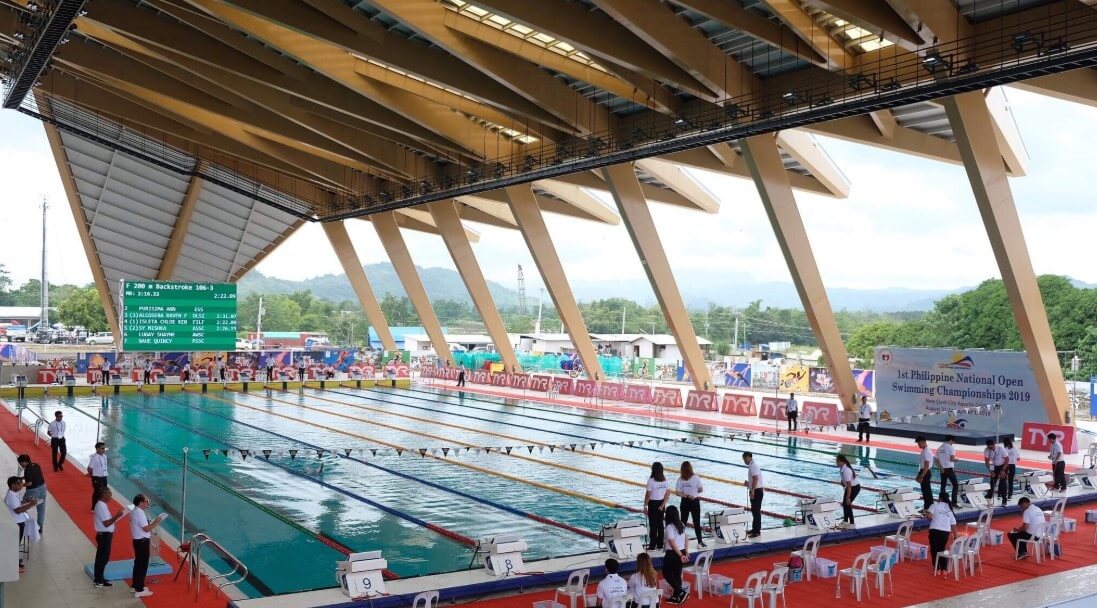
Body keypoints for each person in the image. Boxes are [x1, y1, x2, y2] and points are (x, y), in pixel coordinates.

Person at [131, 493, 165, 598]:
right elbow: (146, 529)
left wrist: (153, 522)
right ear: (141, 502)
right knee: (142, 565)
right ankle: (139, 589)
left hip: (138, 541)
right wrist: (157, 521)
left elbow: (144, 526)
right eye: (147, 501)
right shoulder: (139, 513)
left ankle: (135, 585)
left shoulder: (135, 511)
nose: (148, 503)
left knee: (138, 564)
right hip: (142, 542)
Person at [92, 486, 126, 587]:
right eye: (109, 494)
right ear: (103, 495)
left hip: (105, 535)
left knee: (104, 558)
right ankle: (98, 580)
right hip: (104, 536)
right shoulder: (101, 506)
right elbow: (106, 523)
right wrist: (117, 516)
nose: (111, 495)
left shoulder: (102, 505)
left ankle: (100, 578)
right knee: (102, 558)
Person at [5, 477, 38, 574]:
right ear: (12, 485)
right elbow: (18, 510)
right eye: (19, 484)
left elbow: (18, 504)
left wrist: (26, 502)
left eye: (21, 483)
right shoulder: (11, 496)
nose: (21, 485)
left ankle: (15, 561)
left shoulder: (14, 493)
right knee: (14, 544)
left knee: (16, 543)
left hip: (19, 521)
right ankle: (13, 565)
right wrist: (31, 504)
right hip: (16, 523)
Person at [662, 505, 690, 605]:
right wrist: (686, 552)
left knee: (666, 573)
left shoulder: (669, 527)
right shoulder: (681, 524)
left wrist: (680, 555)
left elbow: (672, 543)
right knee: (677, 574)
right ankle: (675, 597)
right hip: (681, 550)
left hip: (673, 553)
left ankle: (681, 592)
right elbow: (686, 538)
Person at [925, 492, 957, 576]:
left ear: (940, 498)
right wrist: (956, 537)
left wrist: (926, 515)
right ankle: (944, 569)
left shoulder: (934, 505)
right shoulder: (949, 509)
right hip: (945, 532)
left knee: (934, 550)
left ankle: (937, 569)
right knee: (942, 550)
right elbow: (953, 524)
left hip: (935, 530)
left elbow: (929, 517)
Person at [675, 461, 705, 547]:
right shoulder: (696, 477)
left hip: (684, 501)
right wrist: (695, 491)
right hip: (694, 501)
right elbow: (701, 489)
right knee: (696, 522)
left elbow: (677, 492)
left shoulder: (680, 479)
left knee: (683, 523)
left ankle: (680, 542)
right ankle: (700, 542)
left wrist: (686, 495)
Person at [643, 462, 670, 550]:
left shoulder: (651, 480)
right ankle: (660, 545)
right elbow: (668, 494)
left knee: (653, 525)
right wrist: (662, 505)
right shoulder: (665, 480)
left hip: (653, 504)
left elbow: (648, 495)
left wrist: (645, 506)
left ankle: (652, 545)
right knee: (660, 524)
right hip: (661, 503)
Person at [17, 455, 46, 533]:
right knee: (41, 509)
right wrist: (23, 478)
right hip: (43, 488)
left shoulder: (27, 470)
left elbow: (29, 483)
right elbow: (35, 475)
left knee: (22, 506)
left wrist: (20, 485)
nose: (20, 465)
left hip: (33, 491)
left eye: (20, 463)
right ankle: (40, 527)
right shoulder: (36, 465)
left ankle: (23, 523)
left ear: (24, 462)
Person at [742, 451, 764, 538]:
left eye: (745, 459)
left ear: (750, 457)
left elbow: (756, 478)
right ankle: (754, 529)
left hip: (757, 491)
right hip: (756, 490)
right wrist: (748, 483)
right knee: (754, 511)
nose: (744, 461)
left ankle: (757, 531)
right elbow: (754, 479)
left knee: (756, 511)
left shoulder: (753, 466)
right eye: (743, 459)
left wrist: (753, 491)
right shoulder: (752, 465)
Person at [837, 454, 861, 528]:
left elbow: (849, 485)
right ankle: (846, 521)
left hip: (854, 488)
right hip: (850, 487)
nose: (837, 463)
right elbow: (845, 482)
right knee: (845, 504)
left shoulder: (847, 470)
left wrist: (848, 497)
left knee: (847, 503)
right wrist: (842, 483)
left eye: (838, 461)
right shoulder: (842, 468)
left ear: (842, 461)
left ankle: (852, 523)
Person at [983, 438, 1009, 505]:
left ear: (994, 445)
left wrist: (1003, 470)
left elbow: (1007, 459)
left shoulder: (1000, 448)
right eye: (989, 448)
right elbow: (987, 462)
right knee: (992, 481)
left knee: (1003, 483)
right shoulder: (986, 450)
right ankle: (990, 495)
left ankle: (1004, 499)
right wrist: (991, 471)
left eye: (991, 447)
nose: (990, 449)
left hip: (1003, 466)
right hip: (995, 466)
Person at [937, 435, 959, 507]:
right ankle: (954, 502)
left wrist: (941, 468)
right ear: (951, 440)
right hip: (949, 469)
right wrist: (956, 460)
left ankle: (941, 501)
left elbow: (936, 460)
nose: (954, 443)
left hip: (942, 469)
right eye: (954, 441)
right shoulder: (951, 448)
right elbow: (952, 459)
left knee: (943, 486)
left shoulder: (940, 448)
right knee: (955, 485)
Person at [88, 442, 109, 511]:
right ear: (97, 449)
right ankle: (93, 508)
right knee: (97, 492)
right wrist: (92, 476)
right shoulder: (95, 458)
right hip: (97, 478)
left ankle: (101, 506)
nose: (104, 450)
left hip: (104, 477)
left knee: (104, 492)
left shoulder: (104, 456)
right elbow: (89, 468)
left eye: (104, 448)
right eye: (102, 448)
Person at [916, 436, 934, 510]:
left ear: (924, 442)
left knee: (926, 491)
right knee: (925, 491)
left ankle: (928, 508)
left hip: (925, 472)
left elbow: (926, 465)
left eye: (919, 443)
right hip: (924, 472)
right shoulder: (925, 450)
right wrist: (919, 475)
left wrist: (921, 476)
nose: (918, 445)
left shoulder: (927, 451)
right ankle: (927, 507)